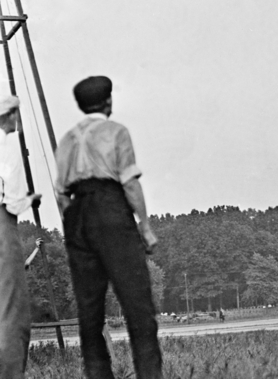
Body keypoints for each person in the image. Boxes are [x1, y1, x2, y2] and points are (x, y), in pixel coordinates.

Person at [55, 76, 162, 379]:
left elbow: (61, 193)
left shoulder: (67, 139)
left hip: (78, 213)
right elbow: (128, 181)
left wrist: (74, 224)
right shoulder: (117, 132)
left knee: (90, 313)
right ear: (108, 101)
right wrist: (144, 225)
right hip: (112, 208)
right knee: (137, 306)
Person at [0, 96, 41, 379]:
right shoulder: (4, 147)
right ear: (8, 116)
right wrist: (31, 200)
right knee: (13, 315)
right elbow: (11, 201)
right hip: (3, 224)